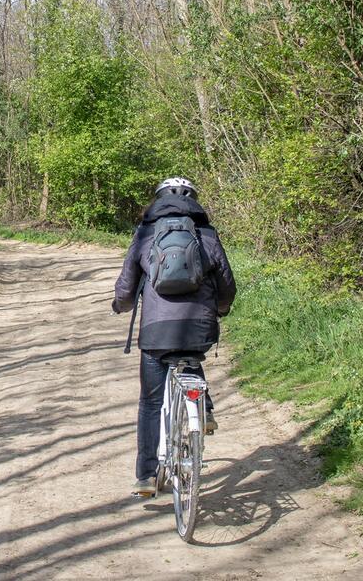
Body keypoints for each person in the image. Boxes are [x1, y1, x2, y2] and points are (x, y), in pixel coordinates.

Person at [111, 177, 236, 498]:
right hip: (199, 329)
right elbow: (226, 285)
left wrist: (120, 306)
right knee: (191, 354)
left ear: (157, 200)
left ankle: (147, 476)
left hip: (155, 331)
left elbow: (126, 286)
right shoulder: (206, 234)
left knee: (151, 402)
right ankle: (204, 408)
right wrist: (220, 310)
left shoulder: (145, 234)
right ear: (194, 200)